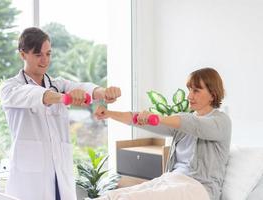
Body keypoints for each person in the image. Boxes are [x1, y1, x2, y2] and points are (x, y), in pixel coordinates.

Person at [0, 27, 121, 200]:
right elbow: (36, 95)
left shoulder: (58, 83)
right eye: (38, 54)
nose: (45, 60)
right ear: (23, 54)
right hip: (31, 179)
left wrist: (105, 92)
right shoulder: (10, 88)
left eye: (48, 54)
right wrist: (65, 98)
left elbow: (84, 88)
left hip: (60, 173)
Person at [95, 68, 231, 200]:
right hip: (171, 179)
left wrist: (156, 117)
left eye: (196, 90)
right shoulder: (180, 121)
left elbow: (195, 125)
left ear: (212, 94)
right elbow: (136, 119)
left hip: (200, 188)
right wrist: (109, 114)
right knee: (113, 196)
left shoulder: (221, 122)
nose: (189, 96)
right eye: (189, 90)